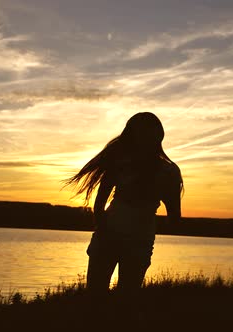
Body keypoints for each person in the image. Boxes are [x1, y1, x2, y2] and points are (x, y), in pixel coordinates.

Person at [64, 112, 183, 314]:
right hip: (112, 237)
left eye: (148, 134)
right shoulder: (121, 163)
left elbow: (174, 216)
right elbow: (99, 204)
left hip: (137, 242)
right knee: (97, 298)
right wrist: (104, 230)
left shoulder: (168, 172)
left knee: (124, 301)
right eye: (140, 133)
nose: (143, 138)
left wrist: (143, 227)